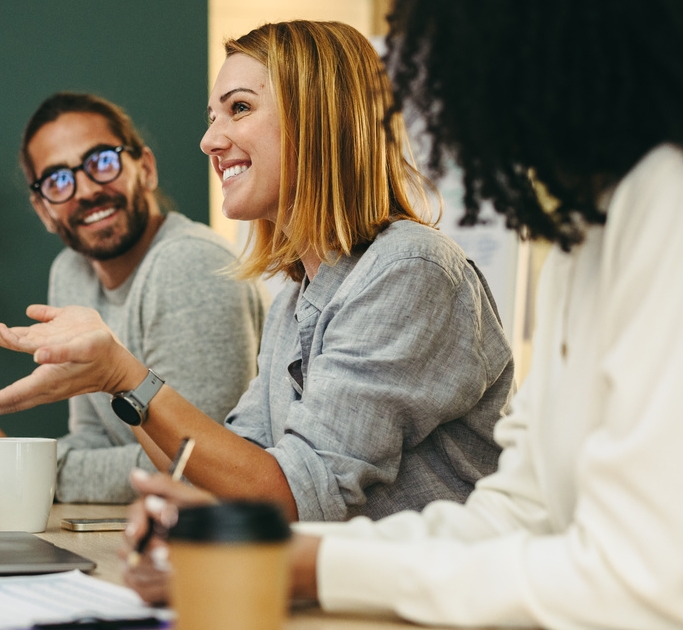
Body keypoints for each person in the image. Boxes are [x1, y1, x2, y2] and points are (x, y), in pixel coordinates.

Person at [127, 2, 683, 627]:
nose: (436, 88)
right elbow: (514, 515)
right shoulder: (583, 237)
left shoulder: (660, 205)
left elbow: (640, 583)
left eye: (240, 107)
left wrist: (127, 380)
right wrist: (256, 545)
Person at [0, 21, 514, 523]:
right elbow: (227, 470)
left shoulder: (409, 269)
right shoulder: (297, 299)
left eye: (240, 108)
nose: (209, 141)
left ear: (316, 115)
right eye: (212, 117)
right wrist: (113, 384)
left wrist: (122, 375)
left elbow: (294, 495)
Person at [0, 93, 266, 504]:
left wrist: (14, 469)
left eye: (101, 161)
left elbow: (198, 470)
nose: (84, 190)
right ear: (44, 210)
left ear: (146, 169)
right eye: (58, 180)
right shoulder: (71, 272)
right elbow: (94, 438)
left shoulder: (190, 264)